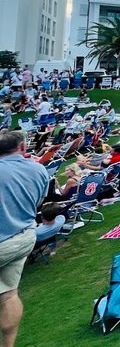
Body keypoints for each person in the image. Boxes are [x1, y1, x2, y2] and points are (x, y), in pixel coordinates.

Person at [0, 131, 49, 347]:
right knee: (8, 294)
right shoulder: (38, 169)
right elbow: (38, 202)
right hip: (25, 237)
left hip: (3, 242)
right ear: (22, 148)